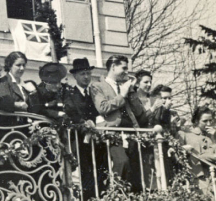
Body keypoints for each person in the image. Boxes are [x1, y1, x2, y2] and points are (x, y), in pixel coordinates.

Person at [90, 55, 150, 191]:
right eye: (123, 68)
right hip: (113, 133)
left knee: (135, 169)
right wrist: (121, 96)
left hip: (131, 132)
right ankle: (116, 194)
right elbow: (103, 108)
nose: (126, 72)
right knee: (122, 162)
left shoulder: (126, 87)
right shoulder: (97, 86)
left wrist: (132, 91)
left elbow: (139, 112)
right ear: (113, 67)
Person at [62, 58, 105, 201]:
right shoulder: (69, 94)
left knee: (100, 170)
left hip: (97, 140)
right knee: (84, 172)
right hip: (79, 140)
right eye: (82, 74)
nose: (86, 77)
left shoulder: (94, 93)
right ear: (75, 76)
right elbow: (71, 113)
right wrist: (84, 123)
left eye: (88, 73)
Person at [179, 106, 216, 195]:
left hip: (213, 176)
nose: (208, 124)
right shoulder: (185, 134)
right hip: (196, 177)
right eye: (205, 121)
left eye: (210, 120)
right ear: (196, 121)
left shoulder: (213, 135)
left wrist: (215, 137)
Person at [0, 51, 37, 124]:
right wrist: (17, 104)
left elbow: (35, 110)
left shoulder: (26, 84)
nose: (22, 68)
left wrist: (33, 92)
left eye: (24, 65)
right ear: (10, 66)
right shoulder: (3, 82)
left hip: (23, 128)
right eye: (18, 65)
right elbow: (3, 102)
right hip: (8, 127)